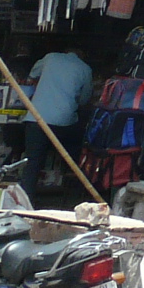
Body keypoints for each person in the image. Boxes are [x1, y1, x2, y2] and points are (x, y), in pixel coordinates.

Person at [21, 47, 93, 203]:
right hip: (64, 122)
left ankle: (26, 201)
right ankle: (69, 199)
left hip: (36, 119)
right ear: (82, 56)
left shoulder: (51, 57)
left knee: (32, 162)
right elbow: (84, 99)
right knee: (71, 160)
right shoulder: (85, 69)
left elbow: (32, 75)